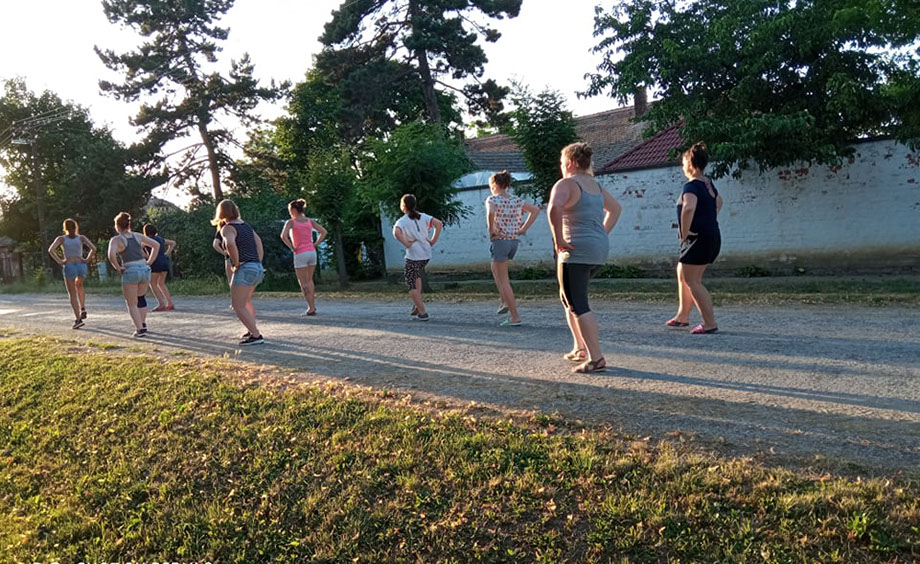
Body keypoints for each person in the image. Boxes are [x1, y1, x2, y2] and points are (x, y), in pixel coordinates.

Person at [548, 142, 622, 374]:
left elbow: (554, 209)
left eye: (562, 163)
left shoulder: (566, 183)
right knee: (567, 298)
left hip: (575, 250)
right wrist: (600, 234)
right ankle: (579, 347)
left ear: (570, 163)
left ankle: (596, 358)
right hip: (597, 250)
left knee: (578, 304)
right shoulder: (595, 186)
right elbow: (616, 209)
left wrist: (558, 240)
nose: (562, 167)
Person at [667, 142, 723, 334]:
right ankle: (682, 316)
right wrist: (708, 219)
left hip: (697, 238)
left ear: (690, 164)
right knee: (682, 271)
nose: (682, 167)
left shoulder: (691, 186)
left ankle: (709, 323)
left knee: (694, 281)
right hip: (710, 235)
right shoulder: (707, 184)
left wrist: (685, 231)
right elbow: (719, 202)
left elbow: (688, 207)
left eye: (683, 163)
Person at [485, 170, 541, 326]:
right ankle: (503, 300)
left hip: (500, 240)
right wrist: (523, 229)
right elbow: (535, 210)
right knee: (495, 269)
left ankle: (514, 316)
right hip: (513, 242)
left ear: (495, 185)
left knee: (504, 280)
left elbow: (490, 213)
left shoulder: (492, 199)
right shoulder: (516, 200)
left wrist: (491, 230)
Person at [213, 199, 265, 345]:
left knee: (237, 305)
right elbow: (259, 243)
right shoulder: (246, 226)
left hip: (245, 268)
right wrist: (258, 260)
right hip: (256, 267)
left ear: (221, 212)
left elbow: (230, 244)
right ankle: (251, 329)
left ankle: (256, 335)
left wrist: (236, 263)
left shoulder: (227, 228)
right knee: (245, 302)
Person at [107, 212, 159, 337]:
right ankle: (143, 323)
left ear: (117, 226)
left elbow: (111, 255)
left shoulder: (117, 240)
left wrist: (118, 267)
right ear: (129, 224)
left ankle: (139, 329)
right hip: (144, 269)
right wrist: (149, 262)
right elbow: (156, 245)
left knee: (131, 303)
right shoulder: (138, 236)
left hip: (130, 270)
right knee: (141, 298)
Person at [392, 194, 443, 321]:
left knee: (410, 282)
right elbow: (439, 224)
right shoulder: (423, 216)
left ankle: (422, 312)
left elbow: (396, 232)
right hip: (426, 254)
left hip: (414, 255)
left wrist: (406, 243)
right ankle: (417, 303)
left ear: (403, 206)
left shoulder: (402, 221)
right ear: (414, 204)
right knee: (416, 276)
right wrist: (432, 241)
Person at [280, 199, 327, 316]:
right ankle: (312, 306)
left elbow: (283, 236)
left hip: (300, 253)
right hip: (311, 252)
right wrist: (316, 244)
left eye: (290, 210)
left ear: (294, 210)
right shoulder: (309, 221)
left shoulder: (291, 222)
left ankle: (310, 308)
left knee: (303, 282)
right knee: (310, 280)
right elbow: (324, 232)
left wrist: (292, 247)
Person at [47, 218, 97, 329]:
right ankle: (83, 308)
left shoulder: (61, 239)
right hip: (81, 264)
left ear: (65, 228)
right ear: (76, 227)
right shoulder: (81, 238)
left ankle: (78, 319)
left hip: (69, 264)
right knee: (80, 286)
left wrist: (60, 261)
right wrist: (86, 259)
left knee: (72, 293)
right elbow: (93, 248)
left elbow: (51, 250)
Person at [142, 223, 177, 312]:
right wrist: (167, 253)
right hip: (164, 261)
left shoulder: (147, 240)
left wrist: (147, 256)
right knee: (161, 283)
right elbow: (173, 243)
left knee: (153, 283)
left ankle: (161, 304)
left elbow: (139, 248)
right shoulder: (160, 239)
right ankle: (170, 303)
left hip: (155, 262)